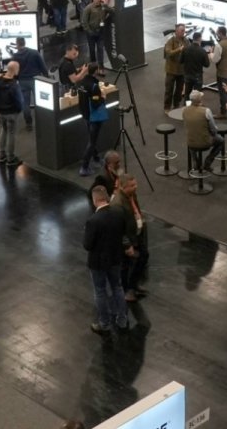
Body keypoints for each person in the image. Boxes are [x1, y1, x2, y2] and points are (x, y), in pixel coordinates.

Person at [84, 185, 131, 335]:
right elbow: (123, 234)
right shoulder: (119, 213)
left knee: (100, 292)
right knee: (117, 287)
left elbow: (87, 245)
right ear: (106, 197)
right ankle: (122, 320)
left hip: (98, 263)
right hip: (115, 258)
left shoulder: (93, 220)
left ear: (95, 200)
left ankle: (104, 323)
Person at [111, 173, 149, 301]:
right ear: (122, 187)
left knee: (143, 256)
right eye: (132, 185)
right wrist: (127, 245)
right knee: (125, 266)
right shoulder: (117, 204)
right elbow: (118, 229)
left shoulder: (132, 195)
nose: (135, 187)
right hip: (126, 241)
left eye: (135, 184)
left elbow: (135, 210)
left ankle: (133, 286)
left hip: (136, 235)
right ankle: (126, 290)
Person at [77, 64, 111, 178]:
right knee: (92, 141)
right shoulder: (94, 86)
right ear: (96, 71)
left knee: (92, 138)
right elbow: (96, 103)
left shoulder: (81, 83)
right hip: (94, 117)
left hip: (85, 114)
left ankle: (96, 158)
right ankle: (84, 167)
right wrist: (103, 97)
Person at [11, 36, 47, 132]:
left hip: (23, 81)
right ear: (25, 42)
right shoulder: (34, 52)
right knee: (39, 101)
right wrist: (46, 76)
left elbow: (13, 70)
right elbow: (42, 65)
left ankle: (29, 124)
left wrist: (16, 79)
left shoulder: (15, 56)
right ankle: (42, 121)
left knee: (25, 103)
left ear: (17, 44)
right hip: (36, 79)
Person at [0, 60, 25, 167]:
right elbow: (19, 101)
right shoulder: (14, 85)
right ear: (15, 70)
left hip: (0, 111)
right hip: (11, 113)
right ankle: (10, 158)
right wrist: (19, 110)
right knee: (11, 134)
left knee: (4, 130)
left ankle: (1, 155)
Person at [184, 91, 222, 175]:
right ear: (200, 100)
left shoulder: (185, 110)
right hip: (205, 142)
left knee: (192, 137)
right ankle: (207, 163)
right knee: (221, 141)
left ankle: (196, 162)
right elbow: (213, 130)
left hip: (190, 142)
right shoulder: (206, 111)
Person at [81, 0, 111, 68]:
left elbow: (112, 11)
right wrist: (89, 31)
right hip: (91, 32)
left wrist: (106, 5)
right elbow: (84, 21)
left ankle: (101, 65)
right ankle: (93, 65)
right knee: (92, 49)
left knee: (100, 48)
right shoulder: (88, 8)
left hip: (100, 31)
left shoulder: (103, 6)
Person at [180, 28, 210, 104]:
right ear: (200, 39)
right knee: (197, 95)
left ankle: (187, 108)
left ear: (193, 38)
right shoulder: (202, 51)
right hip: (197, 76)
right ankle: (195, 108)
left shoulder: (185, 49)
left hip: (187, 75)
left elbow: (180, 61)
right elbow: (207, 64)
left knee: (187, 94)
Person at [162, 25, 187, 112]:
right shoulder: (170, 41)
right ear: (176, 31)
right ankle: (167, 107)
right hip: (171, 70)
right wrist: (179, 49)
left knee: (179, 90)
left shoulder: (186, 40)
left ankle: (176, 105)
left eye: (184, 30)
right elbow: (168, 53)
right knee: (169, 90)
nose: (183, 32)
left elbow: (189, 49)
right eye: (181, 31)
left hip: (181, 70)